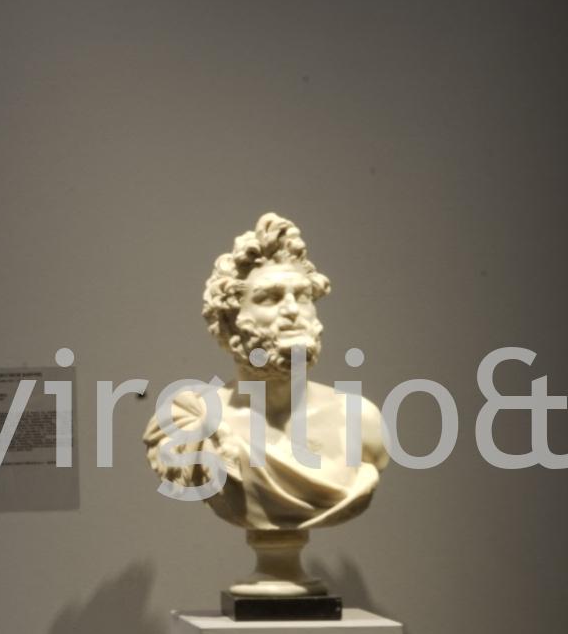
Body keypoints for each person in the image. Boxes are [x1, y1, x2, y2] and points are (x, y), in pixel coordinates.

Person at [143, 213, 389, 594]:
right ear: (230, 321)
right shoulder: (190, 422)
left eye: (302, 296)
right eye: (269, 298)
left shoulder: (361, 421)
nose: (292, 310)